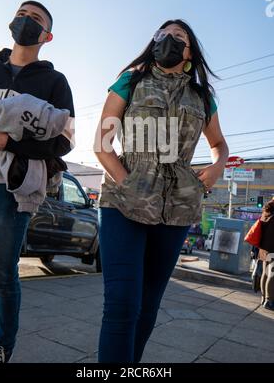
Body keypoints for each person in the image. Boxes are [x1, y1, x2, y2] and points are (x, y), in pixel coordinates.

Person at [94, 19, 229, 363]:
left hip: (178, 207)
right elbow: (102, 144)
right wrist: (128, 183)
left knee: (148, 304)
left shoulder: (202, 96)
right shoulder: (130, 81)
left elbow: (219, 145)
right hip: (122, 203)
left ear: (189, 52)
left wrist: (215, 168)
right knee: (122, 302)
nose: (168, 39)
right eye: (162, 34)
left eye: (178, 36)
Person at [0, 1, 75, 363]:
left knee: (2, 275)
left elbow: (64, 141)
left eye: (36, 19)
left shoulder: (53, 82)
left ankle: (2, 348)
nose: (26, 21)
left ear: (47, 36)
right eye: (22, 14)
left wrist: (12, 143)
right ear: (10, 21)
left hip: (10, 190)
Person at [259, 199, 274, 310]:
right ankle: (269, 300)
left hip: (264, 248)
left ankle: (263, 298)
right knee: (272, 275)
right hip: (272, 249)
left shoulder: (265, 215)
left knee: (265, 273)